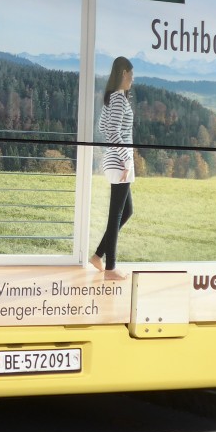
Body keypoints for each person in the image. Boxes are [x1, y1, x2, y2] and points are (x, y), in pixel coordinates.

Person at [89, 57, 135, 280]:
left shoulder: (112, 99)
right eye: (131, 75)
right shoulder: (119, 100)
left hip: (116, 160)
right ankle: (111, 268)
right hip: (120, 162)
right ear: (124, 73)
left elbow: (103, 126)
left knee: (126, 211)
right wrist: (126, 160)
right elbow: (114, 132)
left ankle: (98, 255)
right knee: (116, 214)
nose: (132, 80)